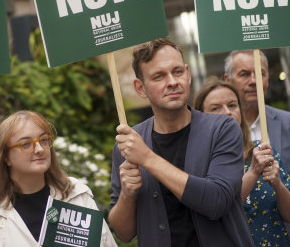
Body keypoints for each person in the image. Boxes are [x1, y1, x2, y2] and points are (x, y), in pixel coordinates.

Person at [109, 38, 254, 247]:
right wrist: (127, 194)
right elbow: (123, 233)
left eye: (177, 72)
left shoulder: (222, 128)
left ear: (187, 74)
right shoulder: (128, 145)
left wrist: (148, 159)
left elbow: (217, 201)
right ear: (140, 88)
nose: (172, 82)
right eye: (159, 76)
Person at [0, 110, 117, 246]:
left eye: (43, 140)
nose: (39, 149)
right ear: (6, 157)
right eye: (26, 144)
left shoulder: (76, 196)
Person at [224, 50, 290, 247]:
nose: (254, 81)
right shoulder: (217, 131)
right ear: (227, 80)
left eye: (261, 73)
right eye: (244, 74)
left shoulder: (286, 122)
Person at [193, 78, 290, 247]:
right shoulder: (198, 163)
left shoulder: (262, 151)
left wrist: (278, 185)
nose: (227, 112)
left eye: (232, 105)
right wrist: (253, 173)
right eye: (216, 108)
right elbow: (220, 209)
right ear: (200, 117)